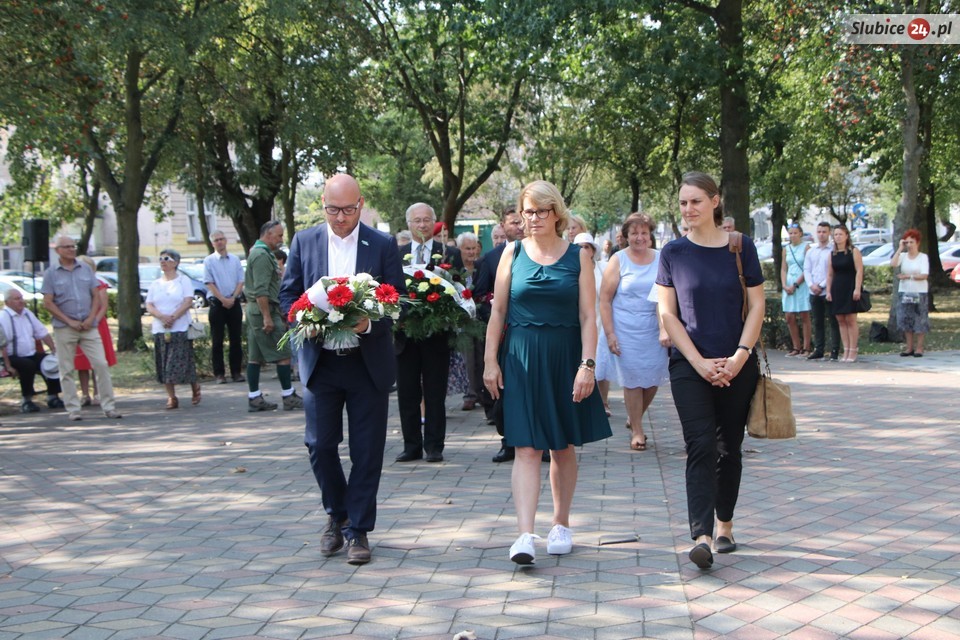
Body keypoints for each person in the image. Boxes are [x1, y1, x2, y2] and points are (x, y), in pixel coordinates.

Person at [279, 173, 406, 565]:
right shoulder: (304, 241)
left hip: (367, 364)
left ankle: (359, 531)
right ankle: (338, 514)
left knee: (367, 451)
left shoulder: (382, 244)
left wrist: (369, 324)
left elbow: (396, 300)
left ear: (361, 205)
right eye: (333, 209)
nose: (340, 217)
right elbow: (288, 294)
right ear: (323, 205)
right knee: (319, 445)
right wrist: (303, 317)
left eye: (348, 209)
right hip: (321, 363)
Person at [483, 180, 611, 565]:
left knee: (561, 444)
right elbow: (498, 312)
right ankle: (524, 535)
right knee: (525, 446)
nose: (533, 218)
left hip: (565, 357)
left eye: (541, 210)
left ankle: (560, 523)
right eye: (528, 211)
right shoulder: (511, 253)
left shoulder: (578, 257)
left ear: (556, 213)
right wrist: (490, 361)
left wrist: (588, 365)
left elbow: (588, 316)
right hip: (520, 357)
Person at [656, 171, 764, 570]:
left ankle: (725, 525)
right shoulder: (672, 253)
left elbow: (757, 305)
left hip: (737, 363)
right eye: (683, 202)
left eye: (696, 201)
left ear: (715, 202)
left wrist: (739, 357)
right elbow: (668, 314)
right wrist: (699, 362)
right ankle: (700, 535)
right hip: (689, 364)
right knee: (700, 444)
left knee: (728, 447)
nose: (688, 209)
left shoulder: (741, 246)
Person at [395, 203, 461, 463]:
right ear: (408, 224)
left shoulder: (449, 253)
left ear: (434, 223)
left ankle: (434, 446)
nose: (422, 225)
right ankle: (411, 445)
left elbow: (459, 290)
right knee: (407, 393)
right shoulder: (396, 254)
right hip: (404, 335)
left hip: (437, 335)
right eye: (417, 220)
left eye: (426, 220)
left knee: (435, 393)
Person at [598, 213, 668, 451]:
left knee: (653, 378)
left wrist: (665, 328)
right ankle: (637, 429)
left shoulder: (661, 258)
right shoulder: (618, 260)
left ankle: (634, 415)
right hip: (624, 328)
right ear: (626, 236)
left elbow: (665, 296)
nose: (640, 237)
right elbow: (605, 300)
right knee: (632, 380)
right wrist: (610, 334)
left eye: (644, 233)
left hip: (653, 328)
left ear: (650, 236)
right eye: (634, 233)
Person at [41, 236, 121, 421]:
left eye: (73, 246)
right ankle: (73, 409)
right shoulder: (51, 273)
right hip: (65, 327)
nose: (71, 249)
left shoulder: (85, 268)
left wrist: (91, 318)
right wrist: (69, 321)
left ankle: (109, 406)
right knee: (66, 368)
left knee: (101, 364)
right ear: (58, 250)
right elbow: (48, 302)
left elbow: (95, 296)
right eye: (67, 247)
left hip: (88, 326)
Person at [473, 205, 525, 463]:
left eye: (521, 220)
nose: (519, 226)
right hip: (503, 335)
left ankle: (542, 443)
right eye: (513, 222)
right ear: (503, 226)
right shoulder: (491, 258)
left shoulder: (541, 254)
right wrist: (496, 312)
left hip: (531, 334)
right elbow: (480, 296)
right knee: (504, 392)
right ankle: (508, 442)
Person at [244, 221, 304, 411]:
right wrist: (267, 317)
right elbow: (261, 289)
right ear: (268, 234)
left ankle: (254, 398)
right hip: (264, 310)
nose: (281, 239)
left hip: (256, 311)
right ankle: (288, 395)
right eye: (279, 235)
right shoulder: (261, 255)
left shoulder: (260, 252)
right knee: (284, 353)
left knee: (255, 356)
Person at [146, 249, 201, 409]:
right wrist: (162, 317)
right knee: (164, 364)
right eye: (161, 259)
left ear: (176, 262)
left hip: (180, 327)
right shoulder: (155, 284)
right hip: (161, 328)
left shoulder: (183, 280)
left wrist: (173, 317)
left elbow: (188, 301)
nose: (163, 261)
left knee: (182, 361)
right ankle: (172, 397)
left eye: (167, 258)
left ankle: (194, 386)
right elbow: (149, 304)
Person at [0, 289, 64, 412]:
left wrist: (53, 350)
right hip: (10, 356)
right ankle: (26, 400)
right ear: (7, 302)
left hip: (30, 354)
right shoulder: (3, 317)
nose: (21, 301)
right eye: (17, 299)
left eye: (21, 298)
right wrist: (8, 366)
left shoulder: (27, 313)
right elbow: (2, 345)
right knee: (28, 365)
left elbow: (42, 333)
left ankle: (53, 396)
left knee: (52, 361)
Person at [73, 255, 116, 406]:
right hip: (79, 325)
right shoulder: (74, 285)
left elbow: (103, 307)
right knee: (81, 362)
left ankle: (98, 393)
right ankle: (85, 394)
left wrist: (93, 321)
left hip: (96, 325)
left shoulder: (99, 284)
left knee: (97, 362)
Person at [203, 230, 245, 384]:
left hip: (234, 302)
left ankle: (236, 372)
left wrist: (233, 298)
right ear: (212, 243)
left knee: (236, 339)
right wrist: (222, 299)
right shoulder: (209, 261)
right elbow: (209, 282)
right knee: (217, 340)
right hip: (217, 303)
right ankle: (219, 373)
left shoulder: (235, 260)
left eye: (221, 239)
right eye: (216, 240)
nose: (219, 242)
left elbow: (241, 281)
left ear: (226, 240)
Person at [826, 224, 864, 363]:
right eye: (835, 234)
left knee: (850, 319)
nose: (838, 237)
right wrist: (828, 291)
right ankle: (846, 349)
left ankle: (853, 350)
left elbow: (859, 270)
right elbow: (830, 274)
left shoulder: (854, 251)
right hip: (837, 288)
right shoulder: (832, 254)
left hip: (850, 286)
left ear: (846, 236)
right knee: (841, 320)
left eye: (840, 234)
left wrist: (857, 288)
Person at [802, 221, 840, 361]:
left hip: (827, 290)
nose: (821, 234)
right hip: (813, 291)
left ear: (829, 233)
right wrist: (811, 285)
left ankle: (835, 350)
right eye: (819, 232)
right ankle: (819, 349)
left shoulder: (833, 250)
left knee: (833, 321)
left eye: (824, 232)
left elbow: (832, 271)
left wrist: (822, 285)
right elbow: (807, 269)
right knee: (818, 322)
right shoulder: (811, 251)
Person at [891, 228, 929, 357]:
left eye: (911, 242)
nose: (909, 245)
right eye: (907, 242)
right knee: (906, 319)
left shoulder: (923, 257)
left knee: (920, 319)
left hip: (919, 292)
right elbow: (893, 264)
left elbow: (924, 275)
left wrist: (908, 276)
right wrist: (900, 249)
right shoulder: (903, 256)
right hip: (905, 292)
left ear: (917, 243)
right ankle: (909, 347)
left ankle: (919, 347)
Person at [456, 232, 483, 411]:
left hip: (480, 320)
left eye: (474, 248)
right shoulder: (455, 270)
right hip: (462, 321)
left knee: (481, 358)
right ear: (460, 250)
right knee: (467, 360)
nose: (471, 252)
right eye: (467, 249)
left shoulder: (481, 266)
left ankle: (483, 393)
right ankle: (470, 394)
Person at [780, 223, 812, 356]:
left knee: (804, 315)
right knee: (789, 316)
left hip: (801, 284)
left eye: (795, 233)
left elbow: (807, 268)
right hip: (788, 284)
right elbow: (783, 268)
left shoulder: (806, 247)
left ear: (800, 234)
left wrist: (796, 284)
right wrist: (784, 284)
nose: (792, 235)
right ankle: (796, 346)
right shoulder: (786, 249)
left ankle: (806, 347)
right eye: (790, 233)